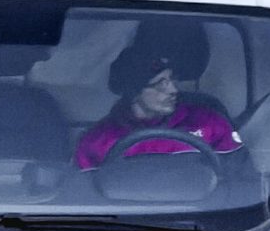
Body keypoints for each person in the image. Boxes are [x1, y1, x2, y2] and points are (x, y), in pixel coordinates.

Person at [75, 42, 241, 170]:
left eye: (172, 80)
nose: (173, 90)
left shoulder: (209, 122)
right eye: (161, 84)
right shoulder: (98, 140)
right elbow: (87, 196)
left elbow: (239, 179)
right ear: (134, 92)